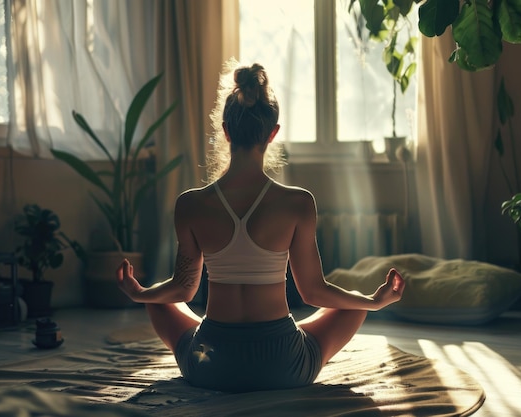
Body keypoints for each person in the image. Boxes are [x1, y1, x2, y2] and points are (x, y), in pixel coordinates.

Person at [116, 61, 405, 393]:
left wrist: (140, 294)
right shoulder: (297, 202)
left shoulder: (191, 204)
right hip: (282, 365)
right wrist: (373, 301)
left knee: (159, 298)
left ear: (225, 131)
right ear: (273, 133)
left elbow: (183, 289)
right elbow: (314, 292)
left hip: (211, 364)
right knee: (352, 301)